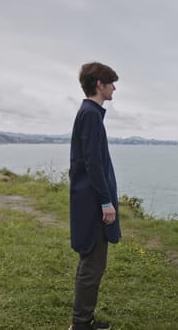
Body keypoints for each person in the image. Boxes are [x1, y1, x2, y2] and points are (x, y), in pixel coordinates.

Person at [68, 62, 121, 330]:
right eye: (111, 83)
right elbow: (93, 163)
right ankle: (80, 324)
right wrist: (105, 201)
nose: (114, 88)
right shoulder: (90, 114)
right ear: (99, 84)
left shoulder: (91, 113)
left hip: (88, 200)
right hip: (92, 203)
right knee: (93, 263)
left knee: (91, 261)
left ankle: (83, 320)